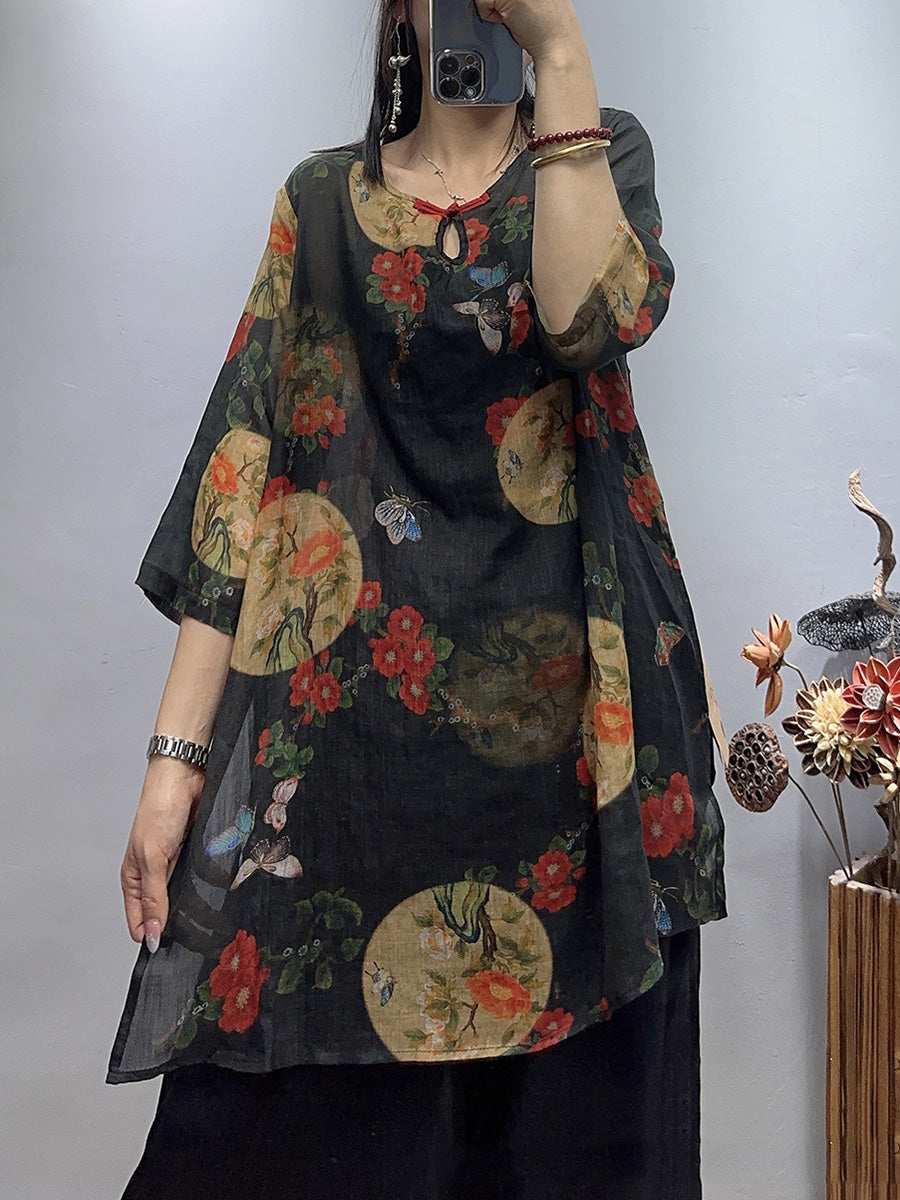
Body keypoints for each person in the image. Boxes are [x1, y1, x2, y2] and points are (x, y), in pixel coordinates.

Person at [109, 1, 727, 1196]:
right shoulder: (321, 204)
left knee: (569, 1160)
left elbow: (589, 321)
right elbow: (242, 473)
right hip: (352, 788)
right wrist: (175, 763)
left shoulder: (602, 153)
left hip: (583, 776)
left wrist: (558, 55)